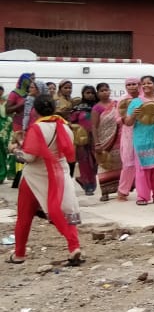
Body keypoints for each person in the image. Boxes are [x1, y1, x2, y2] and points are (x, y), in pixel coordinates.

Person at [6, 94, 84, 266]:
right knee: (65, 211)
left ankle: (19, 254)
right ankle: (74, 247)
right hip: (60, 175)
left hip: (35, 177)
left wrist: (14, 149)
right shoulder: (64, 126)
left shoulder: (37, 128)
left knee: (24, 217)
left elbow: (29, 157)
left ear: (35, 110)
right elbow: (67, 152)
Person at [124, 75, 154, 205]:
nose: (146, 85)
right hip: (142, 139)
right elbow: (127, 122)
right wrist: (134, 115)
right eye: (143, 83)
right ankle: (143, 196)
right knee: (143, 168)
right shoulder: (135, 102)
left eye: (149, 83)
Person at [69, 85, 99, 196]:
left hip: (96, 138)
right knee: (85, 163)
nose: (90, 95)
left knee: (96, 162)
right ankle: (88, 186)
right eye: (87, 93)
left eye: (92, 93)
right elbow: (71, 123)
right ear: (83, 94)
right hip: (83, 140)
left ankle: (82, 179)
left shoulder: (98, 106)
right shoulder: (78, 109)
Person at [115, 77, 141, 200]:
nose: (131, 87)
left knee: (143, 163)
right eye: (128, 85)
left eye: (134, 84)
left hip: (143, 133)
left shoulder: (144, 99)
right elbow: (117, 119)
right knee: (128, 163)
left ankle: (144, 192)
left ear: (139, 85)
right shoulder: (122, 100)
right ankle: (122, 191)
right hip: (128, 134)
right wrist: (125, 118)